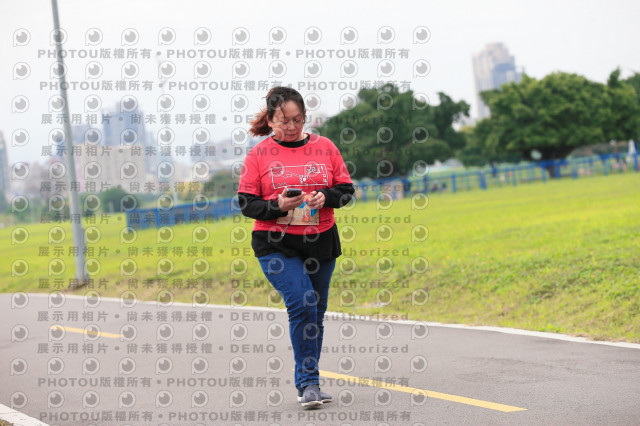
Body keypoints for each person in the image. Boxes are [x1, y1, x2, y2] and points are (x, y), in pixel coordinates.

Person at [237, 87, 355, 408]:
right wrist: (277, 205)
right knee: (302, 304)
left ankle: (309, 382)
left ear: (304, 117)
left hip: (321, 241)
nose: (291, 126)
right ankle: (309, 384)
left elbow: (346, 189)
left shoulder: (325, 147)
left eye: (297, 119)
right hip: (276, 244)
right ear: (270, 119)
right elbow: (246, 203)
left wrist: (325, 197)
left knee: (315, 312)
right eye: (283, 121)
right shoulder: (258, 155)